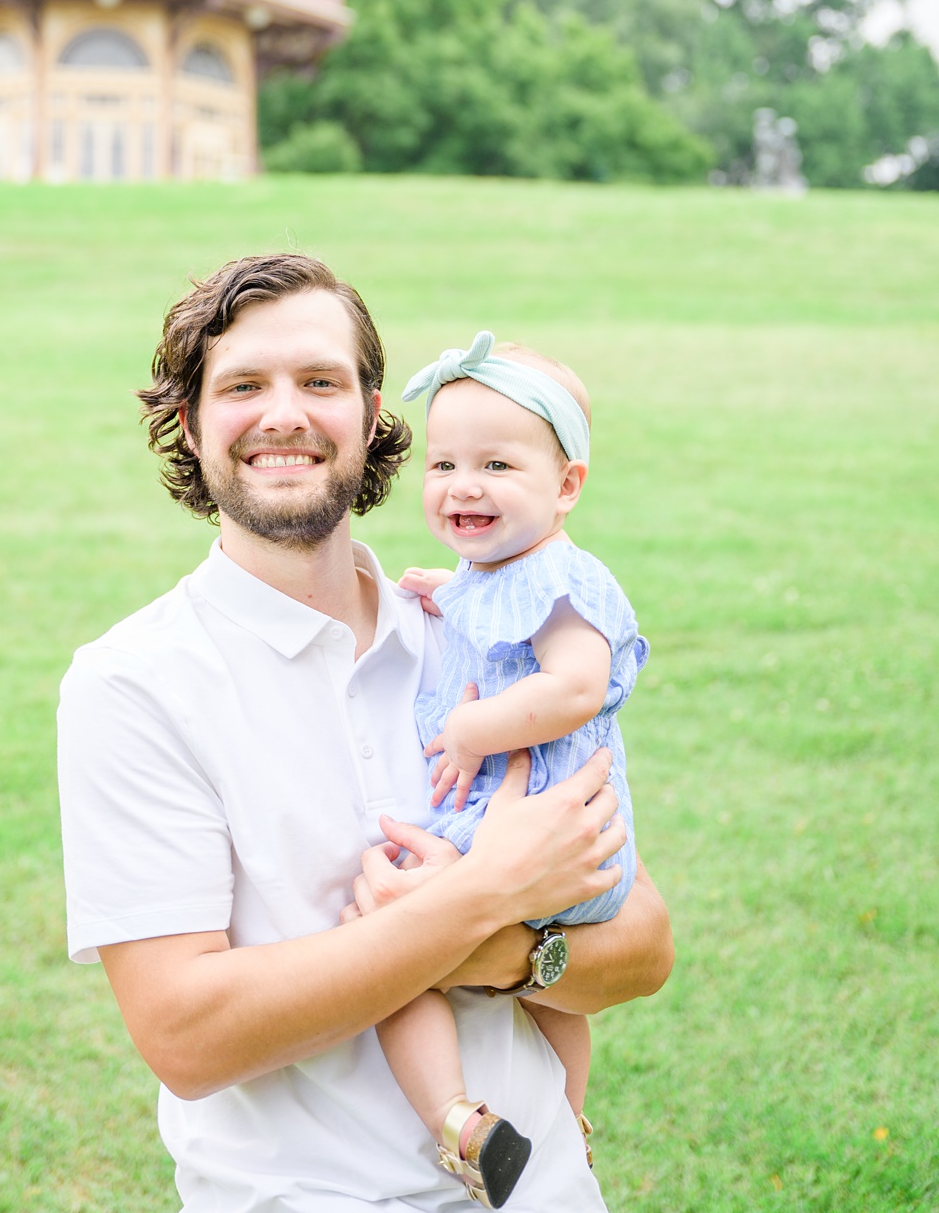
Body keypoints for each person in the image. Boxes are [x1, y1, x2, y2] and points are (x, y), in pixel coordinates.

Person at [57, 254, 673, 1211]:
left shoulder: (479, 635)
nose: (285, 415)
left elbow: (642, 944)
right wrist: (488, 893)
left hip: (545, 1191)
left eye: (320, 382)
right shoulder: (133, 684)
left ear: (373, 411)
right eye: (243, 386)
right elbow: (187, 1037)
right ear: (190, 421)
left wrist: (508, 948)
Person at [374, 334, 647, 1207]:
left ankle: (458, 1121)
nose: (463, 484)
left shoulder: (567, 580)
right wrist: (441, 590)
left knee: (394, 947)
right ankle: (570, 1122)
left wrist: (469, 729)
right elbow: (482, 610)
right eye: (444, 461)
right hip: (575, 847)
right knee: (556, 1006)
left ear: (567, 487)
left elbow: (577, 684)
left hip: (539, 832)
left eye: (497, 463)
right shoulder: (494, 571)